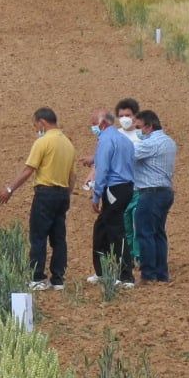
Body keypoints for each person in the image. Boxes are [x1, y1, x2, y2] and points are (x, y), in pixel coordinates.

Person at [0, 107, 76, 289]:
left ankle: (37, 278)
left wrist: (10, 189)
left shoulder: (43, 142)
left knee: (38, 236)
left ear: (42, 122)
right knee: (59, 237)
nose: (36, 130)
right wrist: (66, 196)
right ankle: (58, 279)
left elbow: (28, 170)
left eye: (35, 125)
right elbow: (72, 177)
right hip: (63, 193)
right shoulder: (68, 144)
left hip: (45, 193)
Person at [85, 108, 136, 285]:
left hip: (114, 189)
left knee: (115, 230)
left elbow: (103, 170)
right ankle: (103, 271)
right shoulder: (125, 141)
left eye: (94, 124)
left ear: (103, 123)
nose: (93, 128)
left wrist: (96, 195)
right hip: (127, 187)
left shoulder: (106, 140)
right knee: (102, 228)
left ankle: (125, 276)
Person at [131, 109, 177, 283]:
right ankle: (161, 273)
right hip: (165, 191)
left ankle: (148, 274)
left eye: (139, 127)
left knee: (145, 233)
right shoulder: (169, 142)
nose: (138, 131)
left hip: (150, 192)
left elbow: (128, 154)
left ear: (149, 127)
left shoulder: (151, 143)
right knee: (158, 233)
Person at [115, 97, 143, 271]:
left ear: (135, 116)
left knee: (137, 223)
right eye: (121, 115)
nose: (124, 118)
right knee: (124, 225)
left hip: (139, 186)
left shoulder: (141, 137)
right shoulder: (115, 135)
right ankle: (128, 257)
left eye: (128, 115)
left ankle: (140, 256)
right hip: (121, 188)